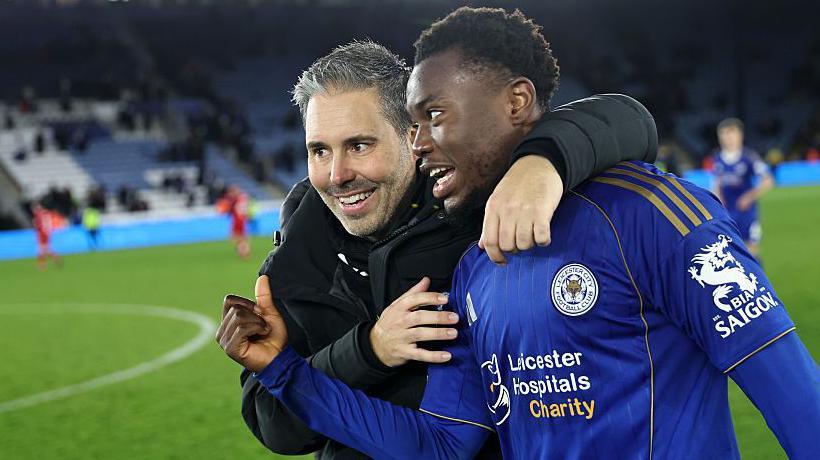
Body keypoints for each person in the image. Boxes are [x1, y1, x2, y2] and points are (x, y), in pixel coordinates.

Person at [218, 7, 819, 460]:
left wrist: (542, 161)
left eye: (433, 117)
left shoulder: (649, 214)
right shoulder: (473, 265)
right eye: (412, 122)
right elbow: (440, 444)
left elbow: (791, 391)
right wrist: (285, 370)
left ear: (516, 102)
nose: (419, 140)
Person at [221, 40, 658, 459]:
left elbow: (628, 119)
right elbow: (275, 425)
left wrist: (541, 162)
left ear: (413, 136)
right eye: (319, 150)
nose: (337, 175)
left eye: (359, 145)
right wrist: (369, 351)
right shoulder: (299, 247)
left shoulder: (471, 191)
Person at [711, 118, 775, 258]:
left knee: (751, 251)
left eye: (731, 134)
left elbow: (768, 180)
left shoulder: (749, 157)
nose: (728, 139)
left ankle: (758, 279)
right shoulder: (717, 158)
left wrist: (749, 196)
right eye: (724, 135)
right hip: (726, 212)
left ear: (740, 136)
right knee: (729, 251)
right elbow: (717, 182)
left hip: (746, 213)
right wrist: (718, 198)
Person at [32, 203, 62, 270]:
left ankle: (42, 265)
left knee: (41, 249)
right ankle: (56, 259)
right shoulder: (47, 213)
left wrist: (35, 224)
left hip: (42, 233)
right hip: (47, 232)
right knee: (46, 249)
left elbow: (37, 225)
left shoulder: (39, 215)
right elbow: (50, 222)